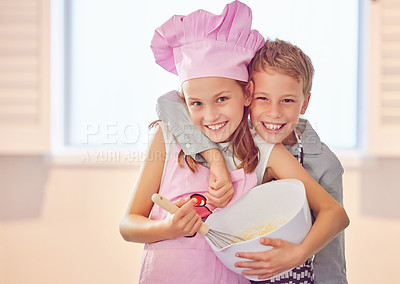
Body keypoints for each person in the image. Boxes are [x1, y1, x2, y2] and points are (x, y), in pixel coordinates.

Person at [120, 1, 349, 283]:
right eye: (196, 103)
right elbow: (128, 225)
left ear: (246, 94)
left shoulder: (264, 149)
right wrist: (169, 227)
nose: (211, 115)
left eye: (222, 99)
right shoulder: (167, 137)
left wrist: (298, 254)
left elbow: (335, 214)